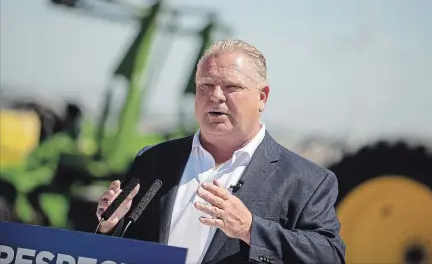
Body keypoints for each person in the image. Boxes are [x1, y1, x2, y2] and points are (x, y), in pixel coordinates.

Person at [95, 39, 346, 264]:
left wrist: (250, 229)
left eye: (231, 87)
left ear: (262, 97)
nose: (215, 95)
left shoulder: (307, 181)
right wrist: (109, 226)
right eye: (206, 85)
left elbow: (329, 256)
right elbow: (125, 246)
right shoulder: (153, 160)